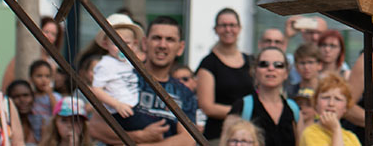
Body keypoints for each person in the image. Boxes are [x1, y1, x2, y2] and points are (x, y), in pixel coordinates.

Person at [91, 16, 199, 146]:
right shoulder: (124, 76)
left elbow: (188, 138)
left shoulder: (184, 92)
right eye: (156, 38)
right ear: (144, 43)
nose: (162, 45)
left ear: (180, 48)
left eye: (170, 40)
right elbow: (95, 127)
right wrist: (139, 136)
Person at [198, 8, 254, 143]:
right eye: (223, 25)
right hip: (219, 136)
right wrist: (244, 112)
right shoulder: (208, 63)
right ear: (216, 29)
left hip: (249, 136)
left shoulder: (251, 61)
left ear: (239, 28)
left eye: (232, 25)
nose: (228, 29)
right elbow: (207, 106)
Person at [229, 47, 301, 146]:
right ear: (255, 71)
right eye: (264, 64)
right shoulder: (242, 106)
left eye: (278, 65)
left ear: (286, 73)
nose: (271, 68)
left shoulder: (293, 109)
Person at [91, 13, 145, 121]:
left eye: (127, 43)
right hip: (120, 111)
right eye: (116, 43)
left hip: (136, 107)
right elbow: (96, 90)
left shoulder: (130, 62)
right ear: (106, 44)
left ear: (134, 44)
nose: (122, 48)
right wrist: (117, 105)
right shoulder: (106, 64)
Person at [299, 74, 361, 146]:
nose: (331, 103)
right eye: (326, 97)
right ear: (316, 103)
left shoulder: (351, 137)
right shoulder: (310, 133)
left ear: (345, 107)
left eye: (338, 99)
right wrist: (336, 130)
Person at [29, 60, 61, 138]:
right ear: (31, 78)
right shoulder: (31, 97)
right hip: (34, 136)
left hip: (50, 136)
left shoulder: (55, 96)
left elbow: (57, 112)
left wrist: (50, 94)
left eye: (47, 76)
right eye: (39, 76)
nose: (44, 80)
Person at [7, 79, 43, 145]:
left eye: (26, 95)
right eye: (16, 97)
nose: (22, 100)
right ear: (8, 100)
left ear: (33, 97)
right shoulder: (6, 126)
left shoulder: (41, 123)